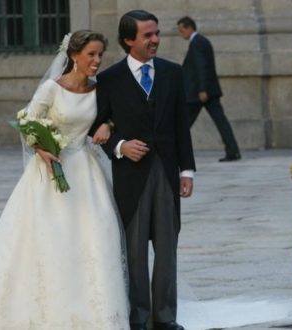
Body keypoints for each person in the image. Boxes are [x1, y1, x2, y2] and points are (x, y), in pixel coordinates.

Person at [0, 30, 129, 329]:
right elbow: (27, 123)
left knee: (96, 234)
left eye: (100, 55)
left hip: (86, 170)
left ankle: (97, 310)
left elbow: (114, 114)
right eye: (91, 54)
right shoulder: (51, 89)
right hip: (51, 169)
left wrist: (108, 124)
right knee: (49, 236)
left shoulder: (100, 89)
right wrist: (41, 149)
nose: (97, 61)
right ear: (73, 56)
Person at [89, 10, 196, 330]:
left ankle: (165, 318)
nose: (155, 40)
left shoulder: (173, 73)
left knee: (167, 251)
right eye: (147, 35)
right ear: (128, 41)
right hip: (130, 179)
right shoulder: (108, 80)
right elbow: (94, 126)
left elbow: (181, 126)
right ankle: (139, 318)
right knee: (134, 253)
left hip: (166, 172)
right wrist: (120, 146)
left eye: (156, 34)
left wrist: (187, 171)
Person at [177, 16, 241, 162]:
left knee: (183, 123)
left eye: (182, 31)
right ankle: (233, 151)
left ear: (189, 28)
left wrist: (202, 89)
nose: (181, 34)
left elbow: (201, 67)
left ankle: (174, 150)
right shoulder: (200, 42)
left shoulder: (197, 43)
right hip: (205, 91)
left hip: (200, 93)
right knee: (220, 121)